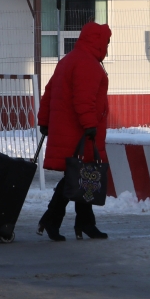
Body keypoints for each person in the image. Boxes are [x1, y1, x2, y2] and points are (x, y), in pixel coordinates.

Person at [36, 21, 112, 242]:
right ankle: (53, 219)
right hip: (80, 132)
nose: (107, 46)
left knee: (82, 177)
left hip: (67, 129)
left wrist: (44, 121)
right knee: (75, 177)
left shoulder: (69, 60)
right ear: (97, 41)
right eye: (106, 42)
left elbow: (49, 92)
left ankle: (84, 224)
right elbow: (84, 99)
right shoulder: (87, 63)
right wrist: (90, 125)